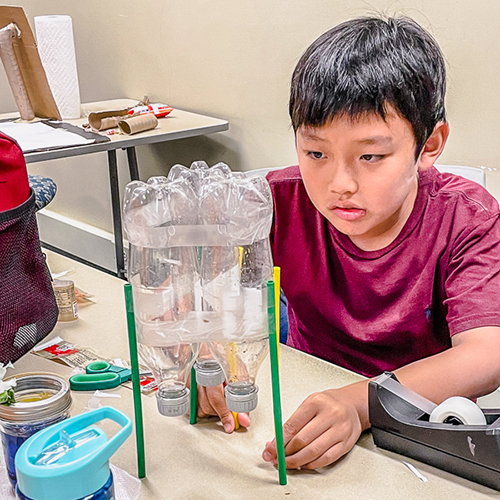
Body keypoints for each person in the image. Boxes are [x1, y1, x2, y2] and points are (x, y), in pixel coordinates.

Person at [201, 15, 500, 469]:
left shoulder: (467, 219)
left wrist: (359, 403)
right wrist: (209, 359)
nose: (339, 183)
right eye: (315, 153)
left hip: (414, 422)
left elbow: (486, 356)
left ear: (430, 145)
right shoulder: (275, 202)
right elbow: (219, 295)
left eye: (370, 156)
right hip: (304, 398)